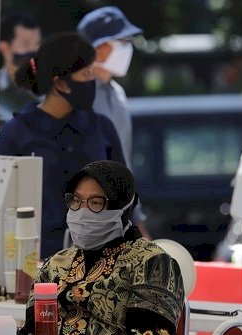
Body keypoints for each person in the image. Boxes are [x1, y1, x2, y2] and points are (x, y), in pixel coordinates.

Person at [19, 160, 185, 335]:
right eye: (76, 201)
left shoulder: (152, 262)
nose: (82, 212)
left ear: (122, 207)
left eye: (96, 203)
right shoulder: (56, 264)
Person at [0, 32, 126, 259]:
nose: (92, 79)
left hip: (97, 260)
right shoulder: (17, 133)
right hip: (36, 260)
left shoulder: (101, 128)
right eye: (85, 73)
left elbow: (124, 196)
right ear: (61, 83)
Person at [77, 6, 151, 238]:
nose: (127, 47)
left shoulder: (117, 93)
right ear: (97, 47)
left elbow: (123, 163)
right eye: (121, 40)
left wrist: (136, 219)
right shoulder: (76, 96)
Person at [0, 13, 42, 128]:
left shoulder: (51, 89)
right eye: (26, 44)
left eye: (37, 44)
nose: (33, 51)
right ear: (5, 47)